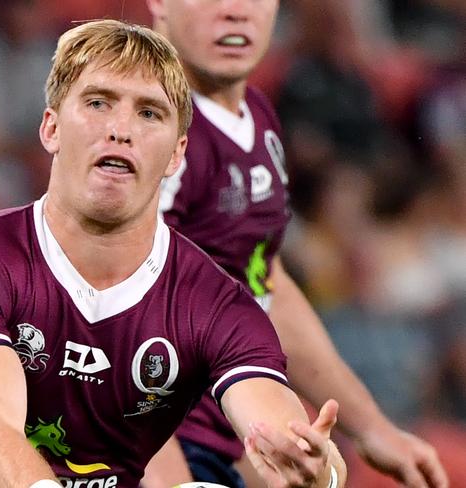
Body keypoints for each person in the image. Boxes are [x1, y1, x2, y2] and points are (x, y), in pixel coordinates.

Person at [0, 19, 347, 488]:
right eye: (98, 103)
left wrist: (320, 472)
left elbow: (280, 422)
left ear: (177, 155)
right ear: (51, 128)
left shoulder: (216, 305)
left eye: (149, 113)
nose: (120, 130)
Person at [142, 1, 449, 488]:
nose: (235, 12)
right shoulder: (148, 123)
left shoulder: (257, 118)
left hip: (216, 441)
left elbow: (264, 284)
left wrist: (371, 428)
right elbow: (107, 316)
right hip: (145, 447)